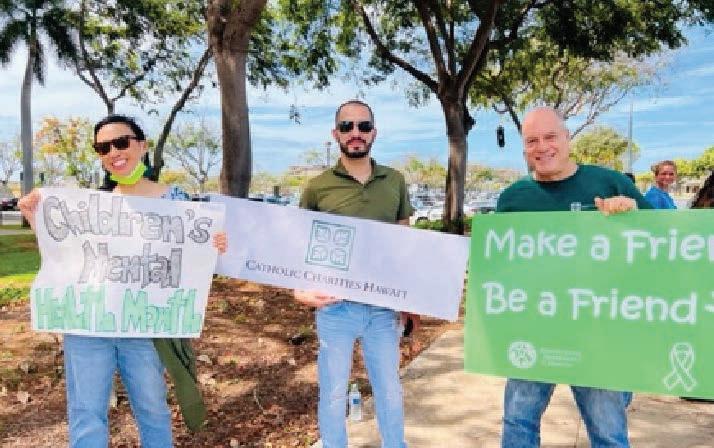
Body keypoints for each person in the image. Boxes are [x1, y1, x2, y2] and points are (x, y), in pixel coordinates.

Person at [18, 114, 227, 447]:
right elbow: (66, 255)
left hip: (145, 328)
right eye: (103, 147)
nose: (113, 151)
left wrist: (215, 248)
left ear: (142, 145)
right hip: (87, 328)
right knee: (86, 414)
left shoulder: (177, 202)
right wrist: (37, 219)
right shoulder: (90, 207)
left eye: (121, 142)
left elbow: (193, 266)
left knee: (153, 411)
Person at [496, 107, 652, 448]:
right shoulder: (511, 200)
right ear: (524, 148)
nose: (542, 147)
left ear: (567, 138)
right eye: (532, 141)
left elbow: (661, 242)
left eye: (550, 136)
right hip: (533, 330)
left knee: (608, 433)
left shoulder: (610, 183)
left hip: (599, 331)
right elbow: (499, 266)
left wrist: (633, 215)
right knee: (518, 424)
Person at [295, 99, 417, 448]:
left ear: (374, 133)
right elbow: (301, 245)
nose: (355, 133)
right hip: (335, 307)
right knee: (333, 393)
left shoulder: (394, 180)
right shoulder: (317, 187)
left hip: (383, 308)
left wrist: (409, 303)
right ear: (335, 134)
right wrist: (300, 290)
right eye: (346, 126)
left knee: (389, 390)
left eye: (363, 126)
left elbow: (404, 244)